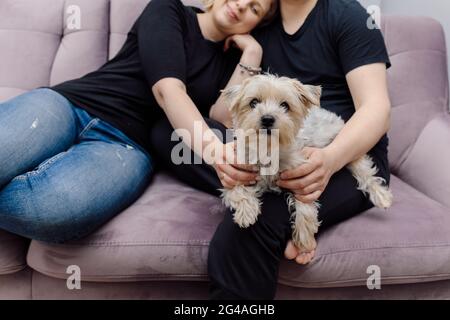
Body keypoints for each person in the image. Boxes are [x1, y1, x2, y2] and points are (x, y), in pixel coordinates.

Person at [151, 0, 391, 299]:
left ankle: (283, 213)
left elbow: (377, 109)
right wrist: (252, 53)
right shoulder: (260, 23)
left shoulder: (347, 15)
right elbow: (225, 115)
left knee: (248, 231)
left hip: (344, 151)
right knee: (170, 134)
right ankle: (266, 192)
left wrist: (328, 161)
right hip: (269, 149)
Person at [0, 0, 276, 244]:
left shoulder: (233, 65)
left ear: (257, 23)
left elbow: (219, 119)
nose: (241, 4)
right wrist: (215, 151)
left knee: (53, 213)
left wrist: (252, 54)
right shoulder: (169, 9)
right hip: (70, 105)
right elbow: (167, 91)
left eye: (255, 8)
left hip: (126, 147)